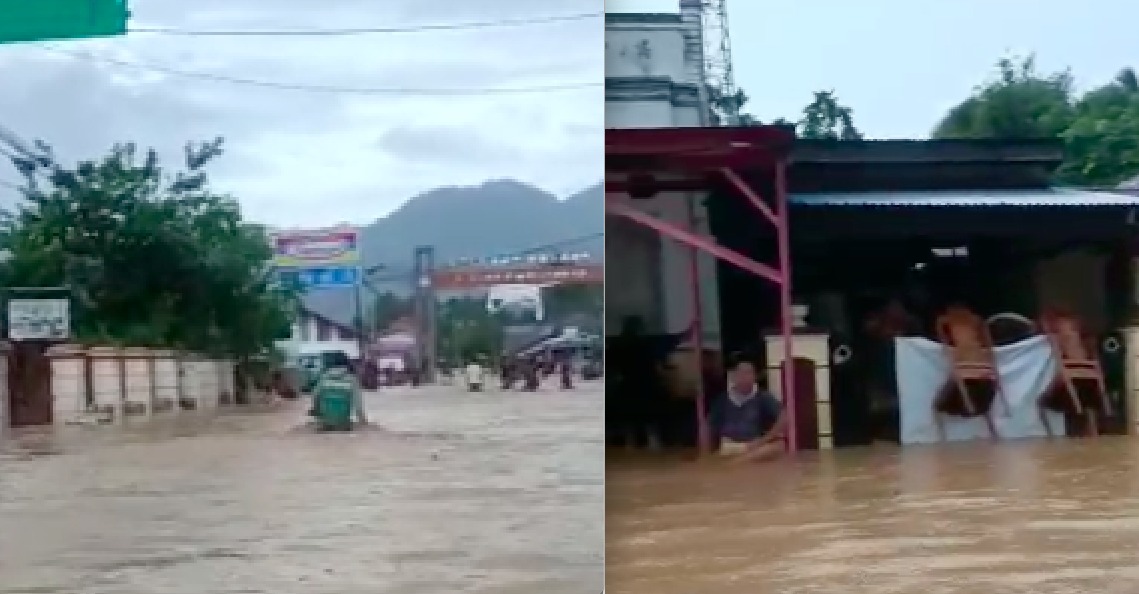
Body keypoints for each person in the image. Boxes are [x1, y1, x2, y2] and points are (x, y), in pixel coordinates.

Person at [707, 357, 785, 462]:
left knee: (778, 447)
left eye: (748, 373)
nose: (744, 377)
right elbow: (709, 425)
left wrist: (763, 440)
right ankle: (738, 462)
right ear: (733, 377)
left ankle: (737, 463)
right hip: (728, 446)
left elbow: (785, 416)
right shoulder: (722, 399)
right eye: (741, 373)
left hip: (753, 446)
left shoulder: (762, 396)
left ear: (755, 377)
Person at [310, 351, 368, 426]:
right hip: (343, 421)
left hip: (325, 422)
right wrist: (362, 419)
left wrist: (316, 411)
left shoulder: (323, 379)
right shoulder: (352, 380)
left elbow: (315, 396)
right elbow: (358, 402)